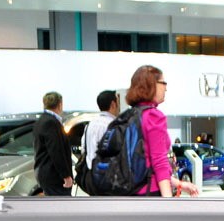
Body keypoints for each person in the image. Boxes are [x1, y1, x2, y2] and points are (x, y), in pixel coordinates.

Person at [126, 65, 199, 197]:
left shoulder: (129, 116)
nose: (166, 88)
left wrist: (179, 184)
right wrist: (167, 202)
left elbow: (147, 166)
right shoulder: (153, 116)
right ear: (151, 85)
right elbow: (159, 163)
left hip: (129, 193)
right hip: (150, 193)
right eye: (163, 83)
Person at [32, 91, 73, 196]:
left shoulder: (41, 121)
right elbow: (56, 151)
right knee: (62, 204)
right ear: (60, 104)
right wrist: (66, 175)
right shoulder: (51, 122)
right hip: (54, 177)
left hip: (46, 174)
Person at [82, 89, 119, 172]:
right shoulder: (113, 125)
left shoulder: (90, 124)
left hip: (90, 172)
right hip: (106, 173)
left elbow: (83, 148)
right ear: (113, 104)